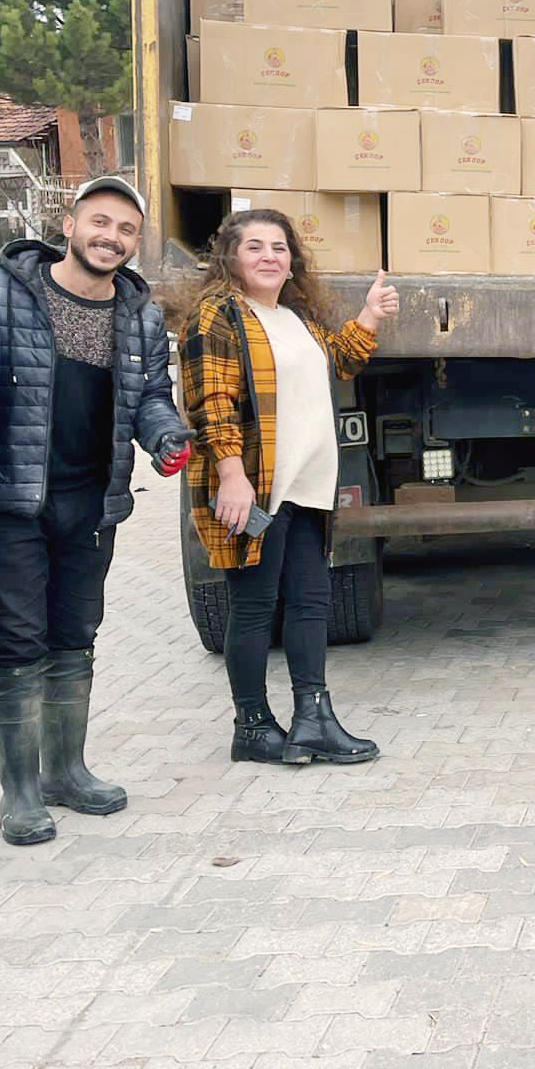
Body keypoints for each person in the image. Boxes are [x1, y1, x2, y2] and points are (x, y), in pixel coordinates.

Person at [0, 176, 192, 846]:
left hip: (92, 504)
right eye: (100, 222)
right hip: (14, 502)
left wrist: (166, 436)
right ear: (68, 225)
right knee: (17, 641)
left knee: (75, 636)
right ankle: (19, 792)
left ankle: (66, 772)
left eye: (126, 230)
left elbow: (150, 396)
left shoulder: (139, 315)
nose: (111, 238)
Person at [177, 210, 398, 764]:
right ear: (230, 256)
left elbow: (340, 360)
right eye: (254, 246)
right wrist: (232, 477)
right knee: (254, 605)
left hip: (305, 486)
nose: (269, 256)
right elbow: (210, 402)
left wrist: (370, 314)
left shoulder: (294, 319)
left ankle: (312, 720)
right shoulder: (218, 314)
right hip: (256, 486)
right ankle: (252, 726)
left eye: (279, 247)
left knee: (310, 601)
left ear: (292, 261)